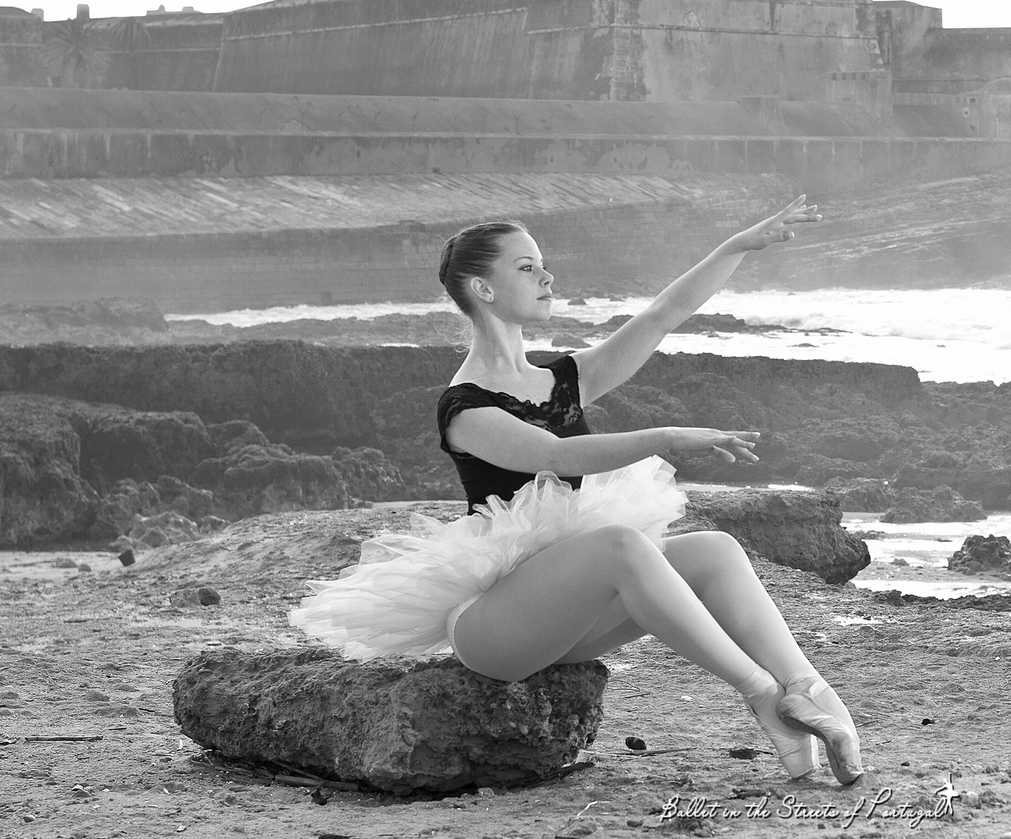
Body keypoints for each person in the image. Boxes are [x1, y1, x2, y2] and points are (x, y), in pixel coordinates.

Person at [288, 196, 863, 785]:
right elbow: (556, 456)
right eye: (526, 267)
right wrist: (664, 436)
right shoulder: (464, 407)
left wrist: (738, 244)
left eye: (542, 264)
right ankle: (760, 692)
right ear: (483, 290)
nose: (547, 276)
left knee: (714, 548)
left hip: (569, 621)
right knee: (620, 544)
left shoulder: (563, 381)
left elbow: (662, 316)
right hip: (496, 629)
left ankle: (807, 695)